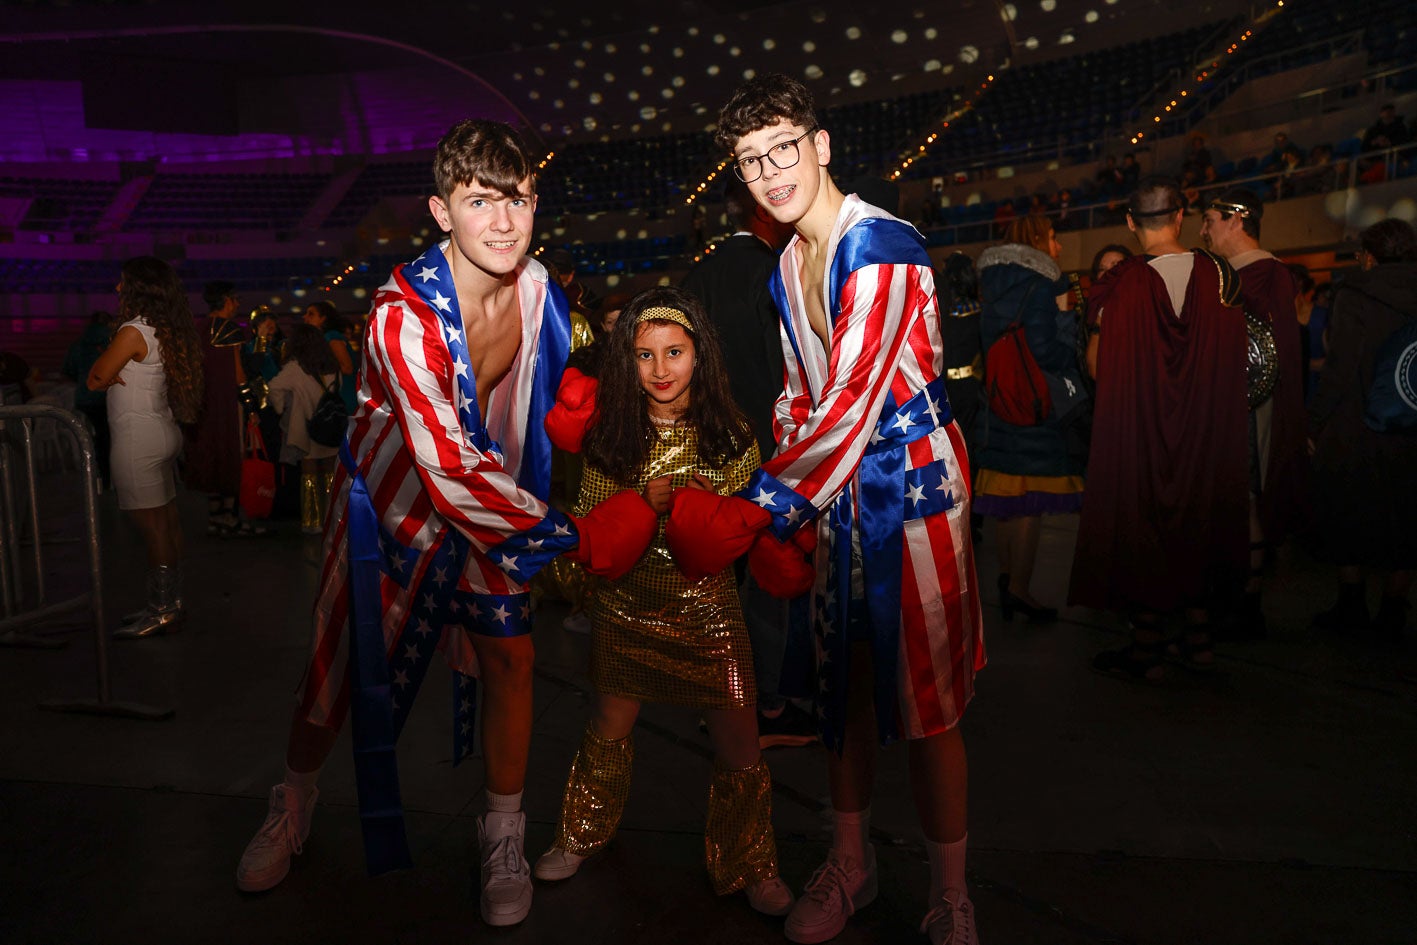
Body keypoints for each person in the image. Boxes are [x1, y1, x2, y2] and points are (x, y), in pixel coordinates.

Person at [233, 119, 656, 928]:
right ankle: (292, 800)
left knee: (513, 660)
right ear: (440, 210)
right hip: (394, 509)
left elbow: (526, 419)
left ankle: (501, 831)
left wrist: (582, 417)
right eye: (479, 201)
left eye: (518, 199)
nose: (502, 221)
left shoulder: (540, 291)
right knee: (334, 672)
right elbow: (448, 465)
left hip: (492, 504)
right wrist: (580, 536)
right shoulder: (403, 314)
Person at [674, 74, 985, 945]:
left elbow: (852, 402)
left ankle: (951, 890)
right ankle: (851, 863)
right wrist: (790, 499)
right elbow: (797, 402)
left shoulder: (879, 244)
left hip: (913, 491)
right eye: (748, 160)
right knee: (839, 694)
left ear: (820, 145)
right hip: (836, 496)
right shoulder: (783, 265)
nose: (769, 171)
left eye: (782, 148)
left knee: (929, 707)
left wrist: (759, 509)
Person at [533, 286, 794, 914]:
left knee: (741, 743)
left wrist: (713, 506)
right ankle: (580, 833)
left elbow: (750, 522)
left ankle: (750, 861)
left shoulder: (730, 432)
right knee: (607, 731)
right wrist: (643, 504)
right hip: (626, 609)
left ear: (699, 355)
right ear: (627, 364)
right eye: (645, 356)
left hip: (708, 609)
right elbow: (592, 527)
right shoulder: (611, 433)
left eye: (673, 352)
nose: (660, 370)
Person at [1073, 177, 1250, 680]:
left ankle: (1148, 646)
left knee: (1143, 528)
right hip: (1203, 434)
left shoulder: (1120, 285)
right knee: (1198, 524)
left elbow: (1099, 368)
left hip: (1142, 432)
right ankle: (1198, 645)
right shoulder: (1221, 276)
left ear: (1130, 222)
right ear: (1180, 217)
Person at [680, 174, 813, 747]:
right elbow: (787, 369)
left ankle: (719, 702)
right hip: (765, 447)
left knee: (718, 580)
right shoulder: (774, 272)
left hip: (706, 448)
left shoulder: (696, 278)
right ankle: (767, 708)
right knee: (765, 579)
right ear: (763, 213)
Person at [1199, 189, 1308, 640]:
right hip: (1224, 408)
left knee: (1246, 500)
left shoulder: (1266, 274)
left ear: (1236, 220)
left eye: (1209, 219)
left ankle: (1247, 602)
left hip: (1248, 408)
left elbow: (1267, 358)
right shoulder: (1225, 273)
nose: (1203, 229)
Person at [1309, 218, 1417, 639]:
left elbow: (1339, 368)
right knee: (1407, 516)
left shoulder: (1355, 292)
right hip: (1412, 427)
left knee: (1348, 511)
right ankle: (1393, 609)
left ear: (1369, 256)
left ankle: (1351, 604)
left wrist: (1314, 422)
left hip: (1358, 423)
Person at [975, 217, 1087, 622]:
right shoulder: (1042, 284)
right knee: (1028, 506)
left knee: (1008, 502)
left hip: (1000, 399)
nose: (1057, 247)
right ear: (1039, 240)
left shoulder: (989, 282)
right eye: (1053, 238)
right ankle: (1021, 589)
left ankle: (1008, 580)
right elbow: (1045, 350)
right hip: (1033, 405)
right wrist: (1068, 327)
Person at [86, 257, 204, 638]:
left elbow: (95, 379)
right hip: (162, 431)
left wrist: (108, 371)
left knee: (152, 529)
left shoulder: (133, 332)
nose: (118, 289)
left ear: (140, 288)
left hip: (138, 440)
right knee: (166, 522)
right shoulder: (164, 329)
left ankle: (161, 609)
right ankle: (173, 603)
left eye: (123, 283)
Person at [187, 280, 255, 537]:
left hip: (203, 403)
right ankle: (229, 516)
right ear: (227, 300)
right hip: (226, 401)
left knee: (211, 453)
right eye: (235, 299)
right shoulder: (228, 328)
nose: (237, 304)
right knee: (229, 452)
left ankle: (215, 517)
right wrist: (249, 398)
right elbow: (237, 371)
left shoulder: (200, 327)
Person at [267, 324, 339, 535]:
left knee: (309, 473)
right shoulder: (330, 364)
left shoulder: (295, 367)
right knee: (330, 472)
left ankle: (312, 521)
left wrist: (280, 408)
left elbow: (274, 387)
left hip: (306, 426)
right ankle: (332, 517)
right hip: (331, 426)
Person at [62, 310, 114, 486]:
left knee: (96, 435)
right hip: (107, 397)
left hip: (84, 399)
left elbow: (68, 369)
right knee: (108, 436)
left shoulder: (78, 344)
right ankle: (110, 475)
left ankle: (98, 473)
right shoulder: (112, 341)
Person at [301, 301, 357, 416]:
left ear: (323, 319)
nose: (305, 317)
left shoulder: (331, 336)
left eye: (311, 314)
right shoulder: (324, 338)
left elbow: (347, 368)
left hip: (344, 396)